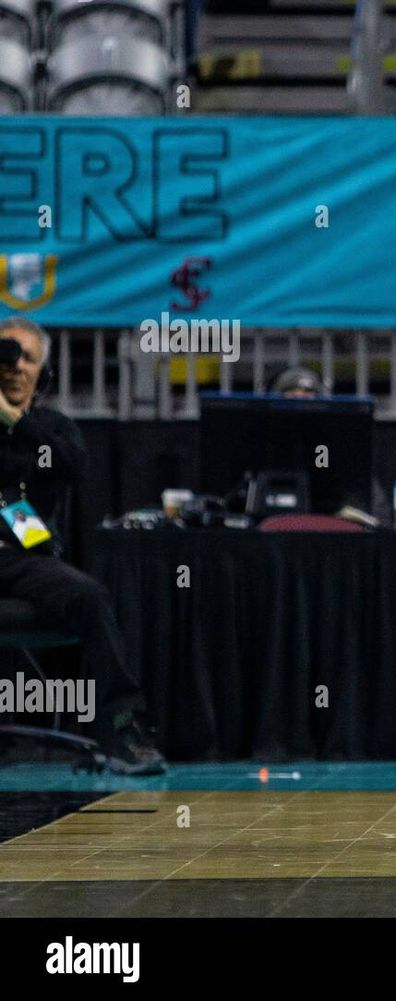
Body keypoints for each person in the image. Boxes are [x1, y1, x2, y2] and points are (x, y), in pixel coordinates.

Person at [0, 316, 165, 774]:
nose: (14, 367)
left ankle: (122, 729)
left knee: (88, 594)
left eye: (26, 358)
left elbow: (73, 466)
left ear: (44, 373)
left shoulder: (53, 429)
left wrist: (14, 421)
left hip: (21, 559)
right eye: (6, 355)